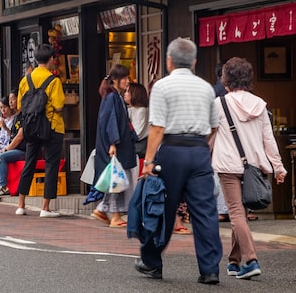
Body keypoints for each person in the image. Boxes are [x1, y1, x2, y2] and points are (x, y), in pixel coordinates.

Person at [135, 38, 222, 285]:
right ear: (194, 62)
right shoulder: (206, 87)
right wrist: (199, 144)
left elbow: (158, 128)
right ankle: (210, 269)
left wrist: (148, 161)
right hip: (199, 151)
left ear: (169, 61)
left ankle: (152, 262)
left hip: (172, 150)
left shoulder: (162, 86)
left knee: (161, 206)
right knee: (205, 211)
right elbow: (214, 126)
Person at [212, 57, 287, 280]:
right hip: (253, 167)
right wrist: (278, 167)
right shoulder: (260, 105)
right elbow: (269, 140)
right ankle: (234, 262)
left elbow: (210, 136)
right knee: (240, 214)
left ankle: (251, 260)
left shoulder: (219, 104)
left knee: (235, 213)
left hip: (227, 165)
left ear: (226, 79)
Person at [15, 44, 66, 218]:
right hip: (52, 127)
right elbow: (59, 106)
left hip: (31, 126)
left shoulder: (25, 80)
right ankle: (45, 207)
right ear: (51, 58)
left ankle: (21, 204)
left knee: (29, 163)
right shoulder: (54, 81)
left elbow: (21, 106)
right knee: (51, 165)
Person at [92, 64, 138, 228]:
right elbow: (110, 121)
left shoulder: (112, 96)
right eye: (124, 78)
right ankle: (115, 215)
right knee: (118, 178)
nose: (127, 81)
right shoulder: (112, 97)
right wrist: (113, 143)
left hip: (117, 144)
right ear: (116, 80)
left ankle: (102, 209)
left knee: (116, 177)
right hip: (117, 146)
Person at [126, 82, 150, 159]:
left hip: (139, 149)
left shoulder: (141, 110)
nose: (125, 94)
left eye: (128, 91)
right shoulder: (131, 109)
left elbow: (137, 133)